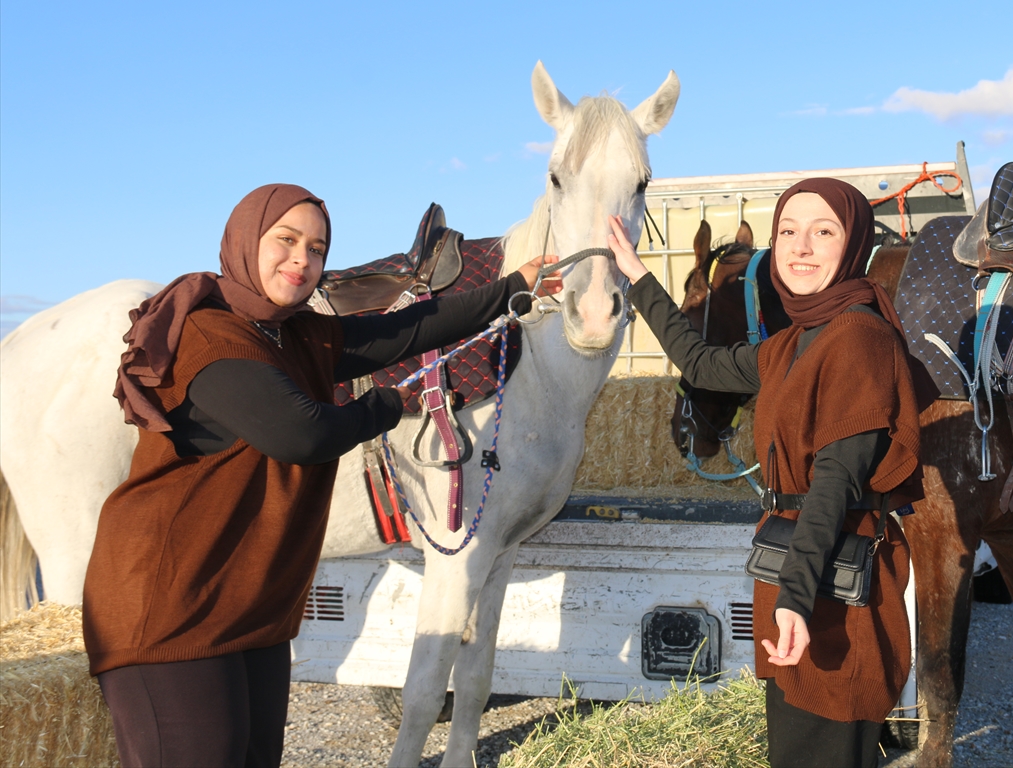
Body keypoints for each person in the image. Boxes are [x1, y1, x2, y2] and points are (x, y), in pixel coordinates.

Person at [83, 183, 560, 768]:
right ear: (243, 240)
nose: (302, 260)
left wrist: (512, 287)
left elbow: (404, 331)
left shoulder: (293, 333)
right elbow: (304, 434)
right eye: (285, 241)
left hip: (247, 605)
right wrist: (389, 406)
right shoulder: (210, 335)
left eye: (316, 248)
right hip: (169, 607)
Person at [608, 178, 936, 768]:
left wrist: (794, 600)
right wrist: (637, 276)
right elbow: (701, 361)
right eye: (788, 231)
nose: (801, 247)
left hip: (833, 591)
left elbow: (833, 486)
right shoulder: (795, 341)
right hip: (802, 575)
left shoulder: (859, 337)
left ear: (853, 243)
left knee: (825, 748)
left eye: (823, 231)